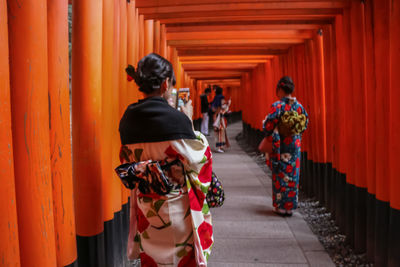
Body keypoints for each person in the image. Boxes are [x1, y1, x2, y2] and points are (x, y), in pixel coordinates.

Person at [119, 53, 214, 266]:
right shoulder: (176, 120)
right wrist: (188, 121)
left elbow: (126, 158)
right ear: (164, 84)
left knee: (152, 260)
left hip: (147, 207)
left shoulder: (127, 120)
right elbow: (198, 158)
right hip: (176, 207)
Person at [262, 76, 308, 216]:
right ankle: (290, 206)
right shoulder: (299, 107)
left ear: (280, 89)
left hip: (280, 145)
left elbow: (268, 126)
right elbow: (305, 124)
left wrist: (265, 125)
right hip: (294, 144)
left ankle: (280, 205)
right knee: (293, 174)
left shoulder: (278, 106)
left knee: (280, 173)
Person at [211, 86, 231, 153]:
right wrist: (228, 104)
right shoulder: (221, 97)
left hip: (216, 116)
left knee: (217, 132)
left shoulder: (215, 97)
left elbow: (213, 107)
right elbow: (222, 106)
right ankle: (220, 147)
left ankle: (218, 146)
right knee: (221, 132)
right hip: (220, 117)